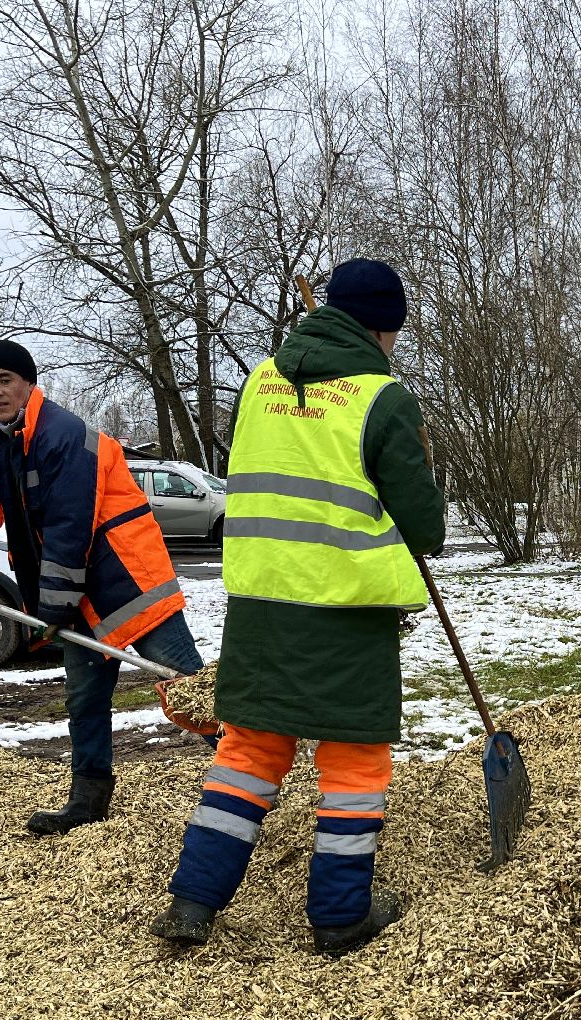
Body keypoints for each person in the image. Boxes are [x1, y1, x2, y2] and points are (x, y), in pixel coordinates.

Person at [150, 258, 445, 956]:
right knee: (353, 763)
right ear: (383, 327)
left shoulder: (260, 381)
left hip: (261, 604)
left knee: (249, 750)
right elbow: (426, 529)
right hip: (347, 609)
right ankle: (341, 916)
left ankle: (193, 902)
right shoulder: (384, 397)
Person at [0, 339, 204, 835]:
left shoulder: (64, 435)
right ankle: (88, 799)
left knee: (189, 690)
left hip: (128, 584)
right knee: (84, 700)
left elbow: (71, 524)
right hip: (75, 594)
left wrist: (52, 606)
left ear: (28, 383)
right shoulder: (5, 445)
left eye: (5, 380)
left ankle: (255, 780)